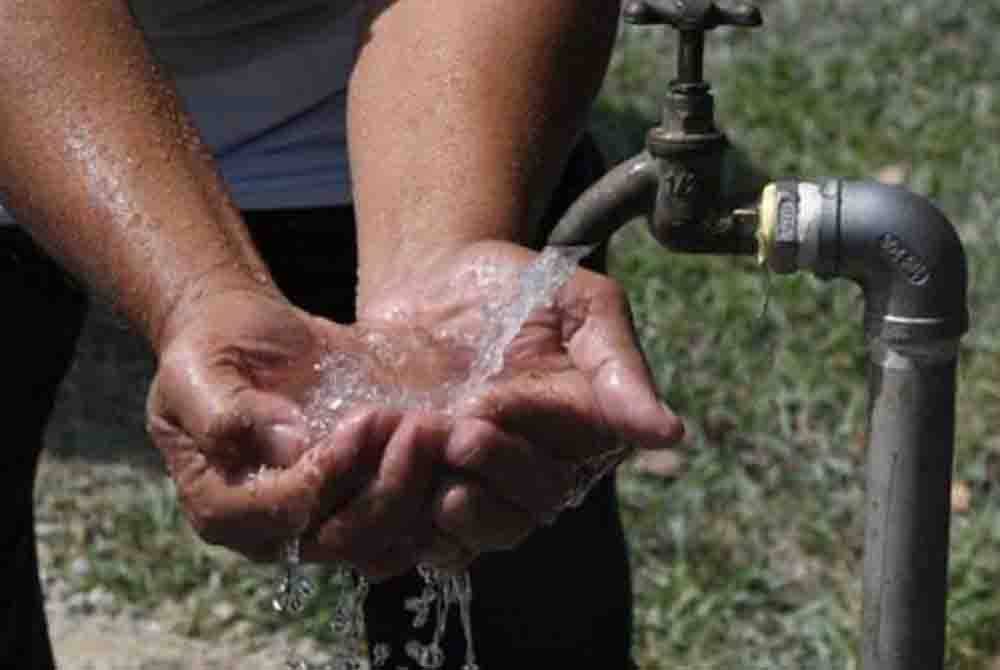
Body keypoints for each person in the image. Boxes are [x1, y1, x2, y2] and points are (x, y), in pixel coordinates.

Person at [0, 1, 684, 668]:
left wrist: (443, 245)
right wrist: (193, 291)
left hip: (429, 97)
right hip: (30, 79)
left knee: (512, 573)